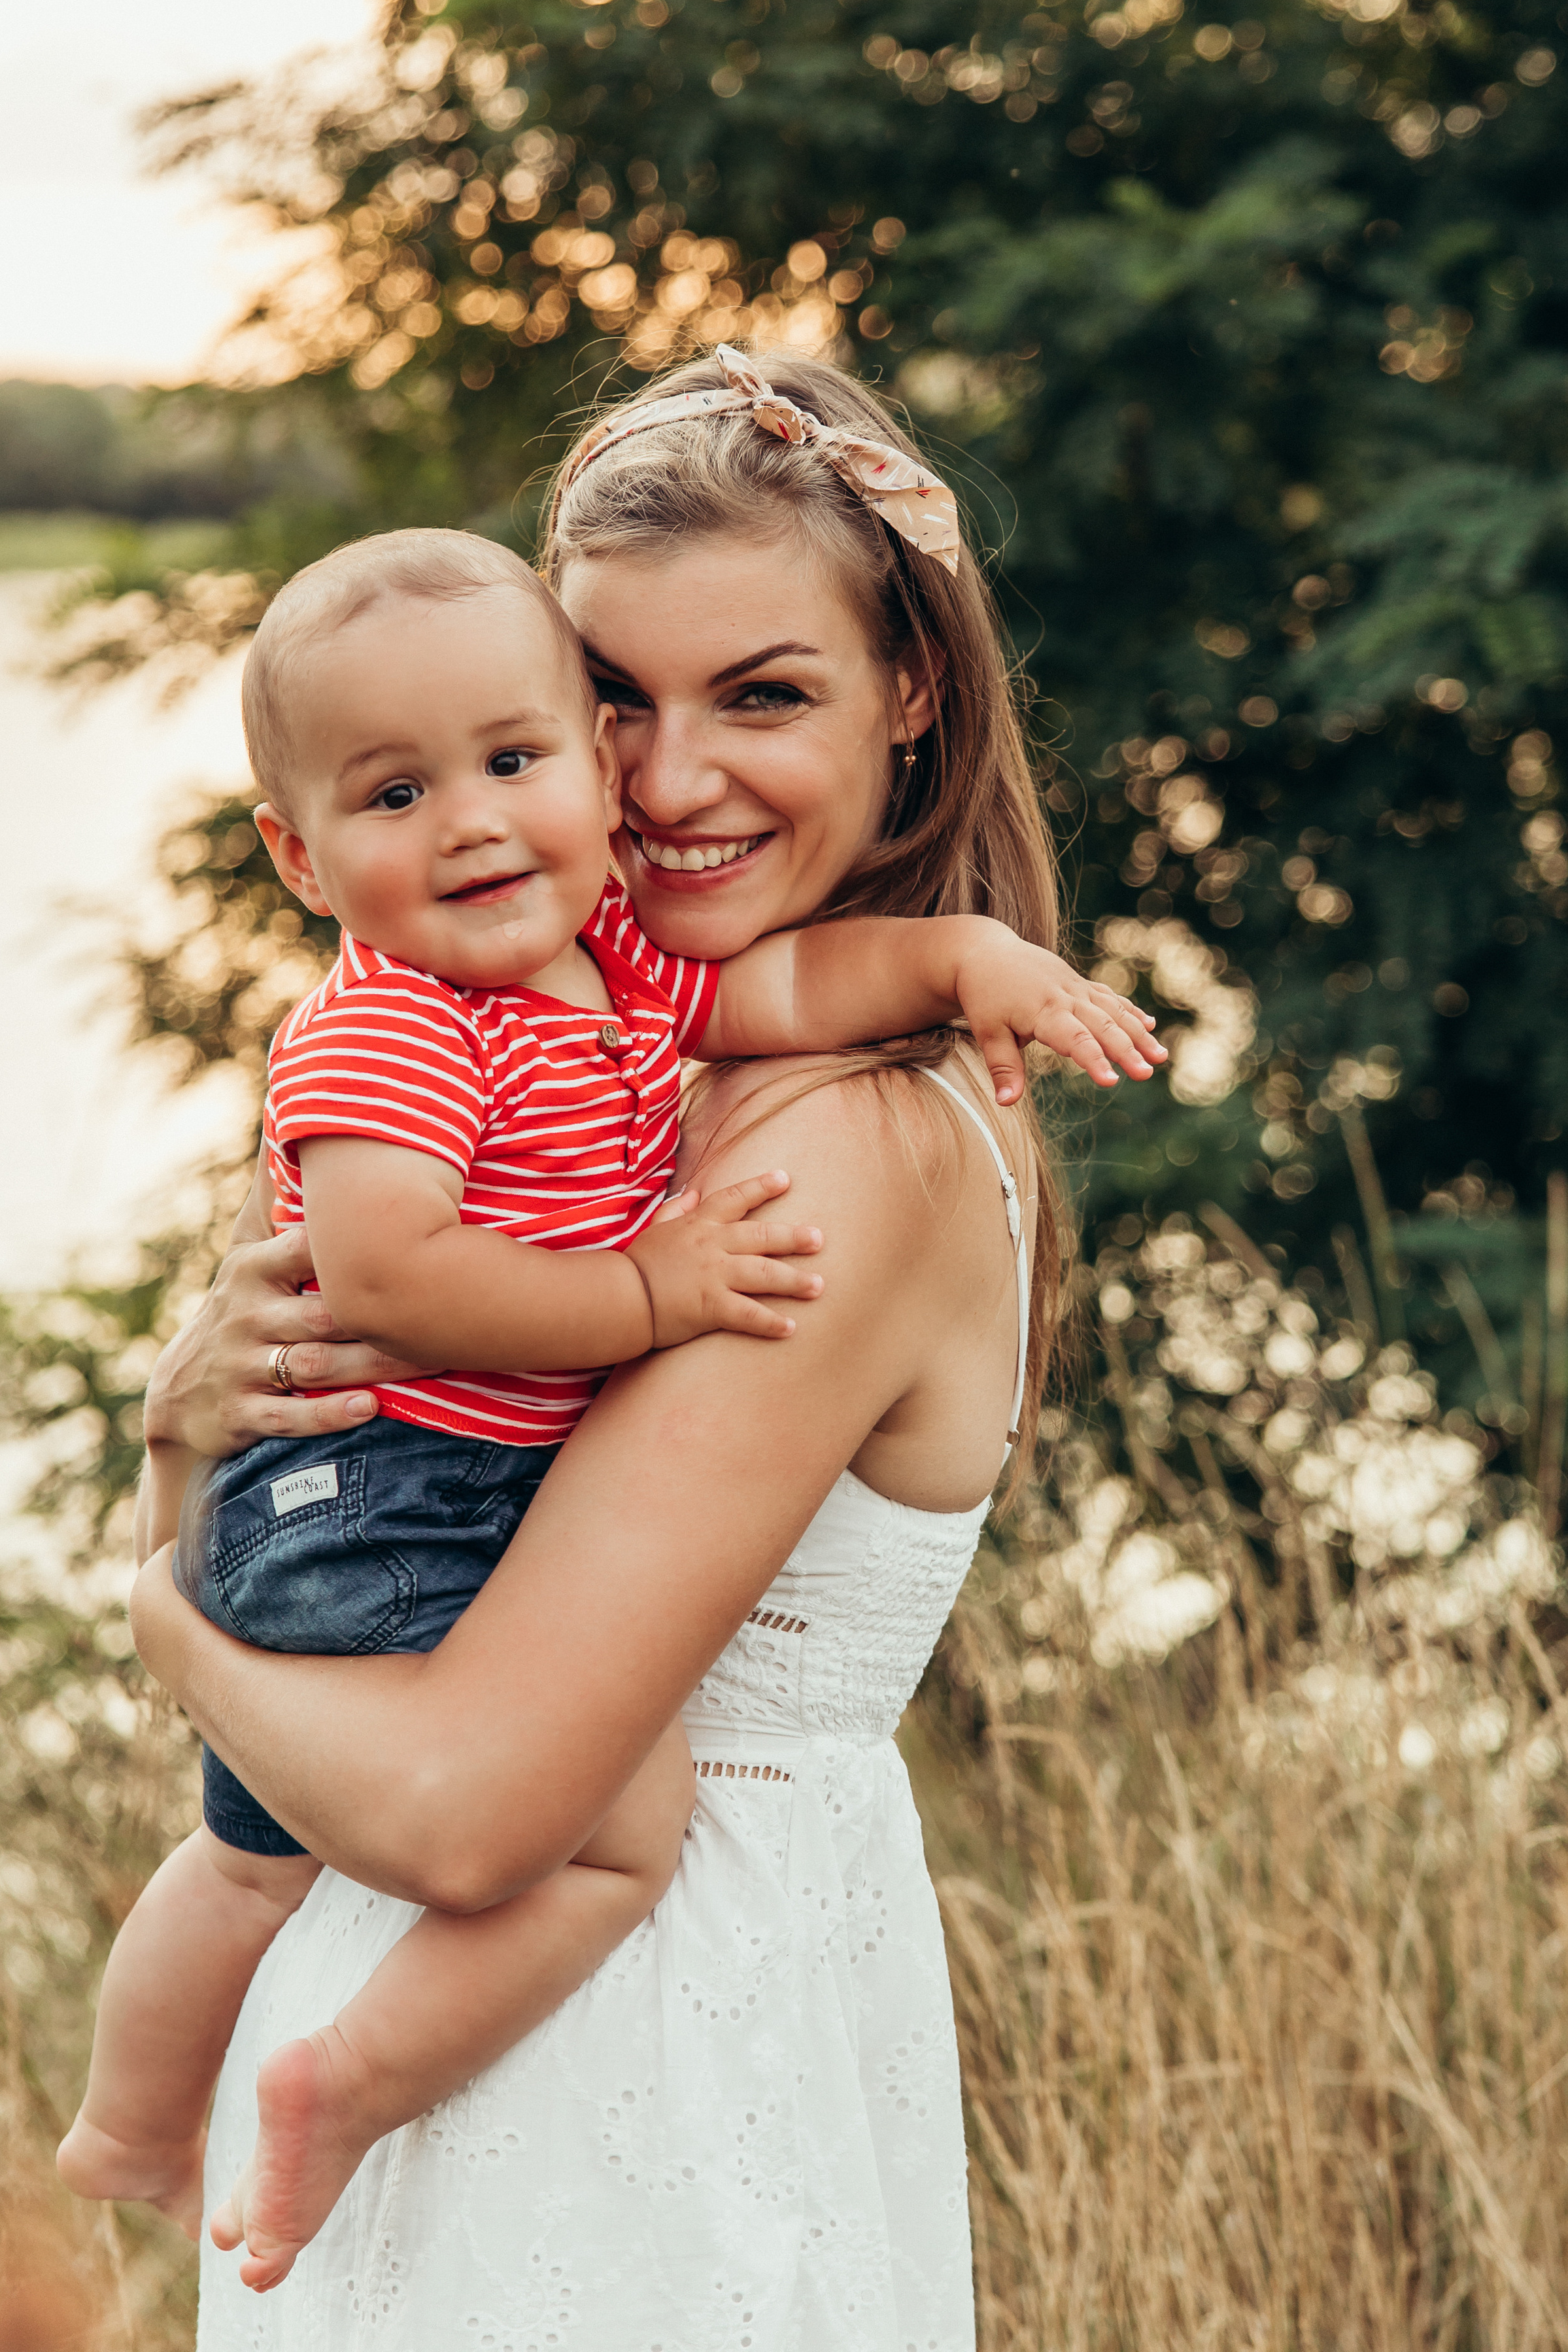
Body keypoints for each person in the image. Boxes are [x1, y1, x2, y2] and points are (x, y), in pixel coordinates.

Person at [129, 345, 1153, 2345]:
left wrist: (164, 1615)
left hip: (625, 2063)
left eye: (764, 696)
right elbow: (310, 1520)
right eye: (610, 700)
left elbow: (466, 1807)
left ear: (912, 693)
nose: (669, 785)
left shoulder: (842, 1146)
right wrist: (187, 1428)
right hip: (440, 2017)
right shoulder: (570, 1066)